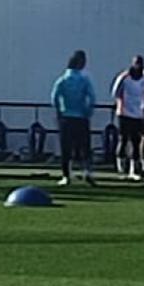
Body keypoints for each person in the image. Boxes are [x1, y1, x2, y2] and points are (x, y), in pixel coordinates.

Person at [51, 50, 96, 186]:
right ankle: (87, 172)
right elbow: (92, 97)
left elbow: (54, 97)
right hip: (81, 117)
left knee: (66, 147)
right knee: (85, 146)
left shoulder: (62, 80)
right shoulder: (84, 80)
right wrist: (88, 111)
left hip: (66, 117)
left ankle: (66, 175)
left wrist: (59, 110)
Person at [112, 55, 144, 181]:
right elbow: (115, 92)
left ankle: (133, 169)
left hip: (138, 114)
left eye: (140, 63)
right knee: (123, 139)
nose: (138, 66)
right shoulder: (124, 77)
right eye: (136, 63)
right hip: (124, 113)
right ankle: (120, 167)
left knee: (136, 142)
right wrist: (120, 104)